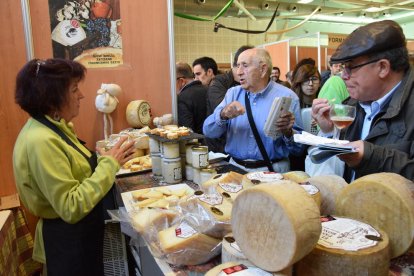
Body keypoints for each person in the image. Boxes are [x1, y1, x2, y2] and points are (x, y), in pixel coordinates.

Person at [13, 58, 136, 276]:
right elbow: (70, 206)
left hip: (81, 236)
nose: (81, 95)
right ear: (52, 97)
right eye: (74, 89)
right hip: (67, 243)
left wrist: (106, 159)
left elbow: (75, 172)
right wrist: (109, 164)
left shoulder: (54, 128)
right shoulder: (41, 140)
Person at [311, 20, 414, 181]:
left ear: (382, 68)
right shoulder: (353, 104)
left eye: (350, 67)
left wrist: (371, 157)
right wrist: (332, 131)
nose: (343, 75)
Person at [203, 48, 305, 173]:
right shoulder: (232, 94)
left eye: (245, 66)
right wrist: (223, 115)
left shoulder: (288, 97)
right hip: (236, 169)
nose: (239, 72)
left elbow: (299, 149)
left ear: (263, 69)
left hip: (273, 171)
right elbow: (208, 131)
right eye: (237, 66)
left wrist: (288, 132)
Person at [205, 45, 253, 153]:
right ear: (236, 66)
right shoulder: (219, 83)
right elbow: (221, 111)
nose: (242, 72)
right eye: (242, 66)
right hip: (220, 145)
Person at [176, 62, 207, 134]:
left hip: (198, 143)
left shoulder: (182, 98)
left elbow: (187, 131)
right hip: (214, 141)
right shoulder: (208, 89)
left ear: (181, 81)